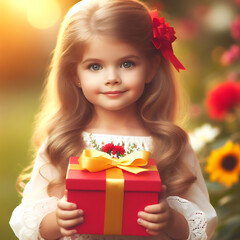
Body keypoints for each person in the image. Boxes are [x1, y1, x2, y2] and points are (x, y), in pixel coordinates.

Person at [9, 0, 217, 239]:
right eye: (95, 66)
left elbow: (203, 223)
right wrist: (57, 221)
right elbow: (28, 222)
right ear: (74, 74)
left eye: (127, 64)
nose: (112, 78)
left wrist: (169, 220)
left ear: (151, 67)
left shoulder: (170, 143)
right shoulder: (63, 141)